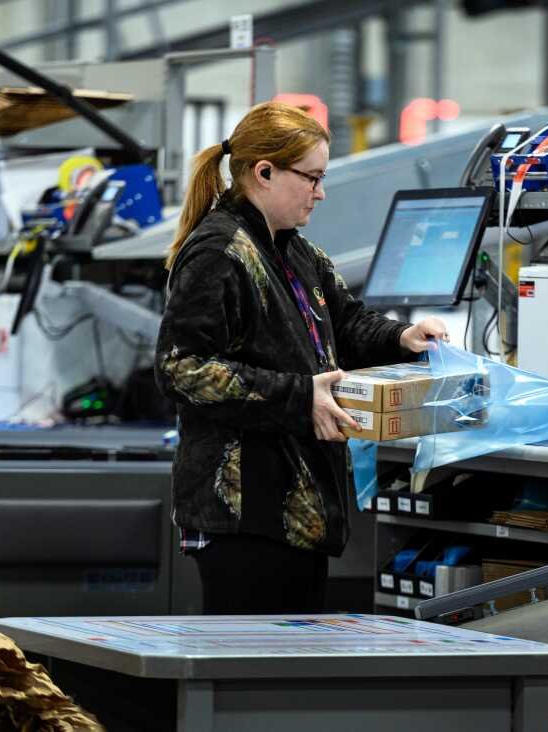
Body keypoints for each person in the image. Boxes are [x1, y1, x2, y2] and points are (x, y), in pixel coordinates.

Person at [155, 102, 447, 614]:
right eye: (311, 177)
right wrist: (298, 396)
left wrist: (405, 337)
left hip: (297, 513)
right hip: (247, 516)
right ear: (263, 172)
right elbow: (181, 368)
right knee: (250, 675)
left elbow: (348, 324)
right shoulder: (219, 253)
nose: (321, 191)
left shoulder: (295, 252)